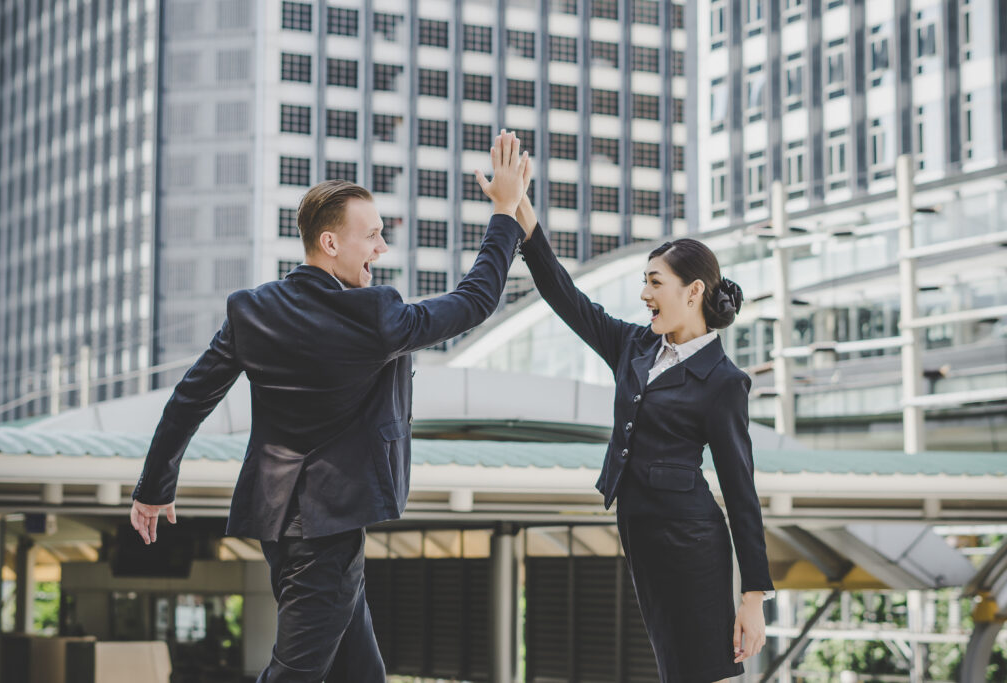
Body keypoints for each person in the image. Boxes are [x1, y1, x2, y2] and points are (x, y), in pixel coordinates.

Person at [130, 132, 532, 682]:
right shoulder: (375, 316)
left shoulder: (252, 311)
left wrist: (155, 487)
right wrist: (505, 212)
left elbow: (189, 399)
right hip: (330, 527)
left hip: (280, 522)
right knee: (296, 672)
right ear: (330, 243)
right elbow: (474, 299)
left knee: (360, 673)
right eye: (371, 236)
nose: (381, 249)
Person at [503, 191, 774, 683]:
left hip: (691, 542)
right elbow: (568, 299)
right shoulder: (635, 346)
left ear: (693, 292)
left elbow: (741, 489)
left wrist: (752, 597)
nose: (645, 294)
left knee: (704, 673)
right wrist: (523, 215)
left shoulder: (724, 381)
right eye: (644, 282)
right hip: (643, 534)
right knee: (675, 669)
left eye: (655, 282)